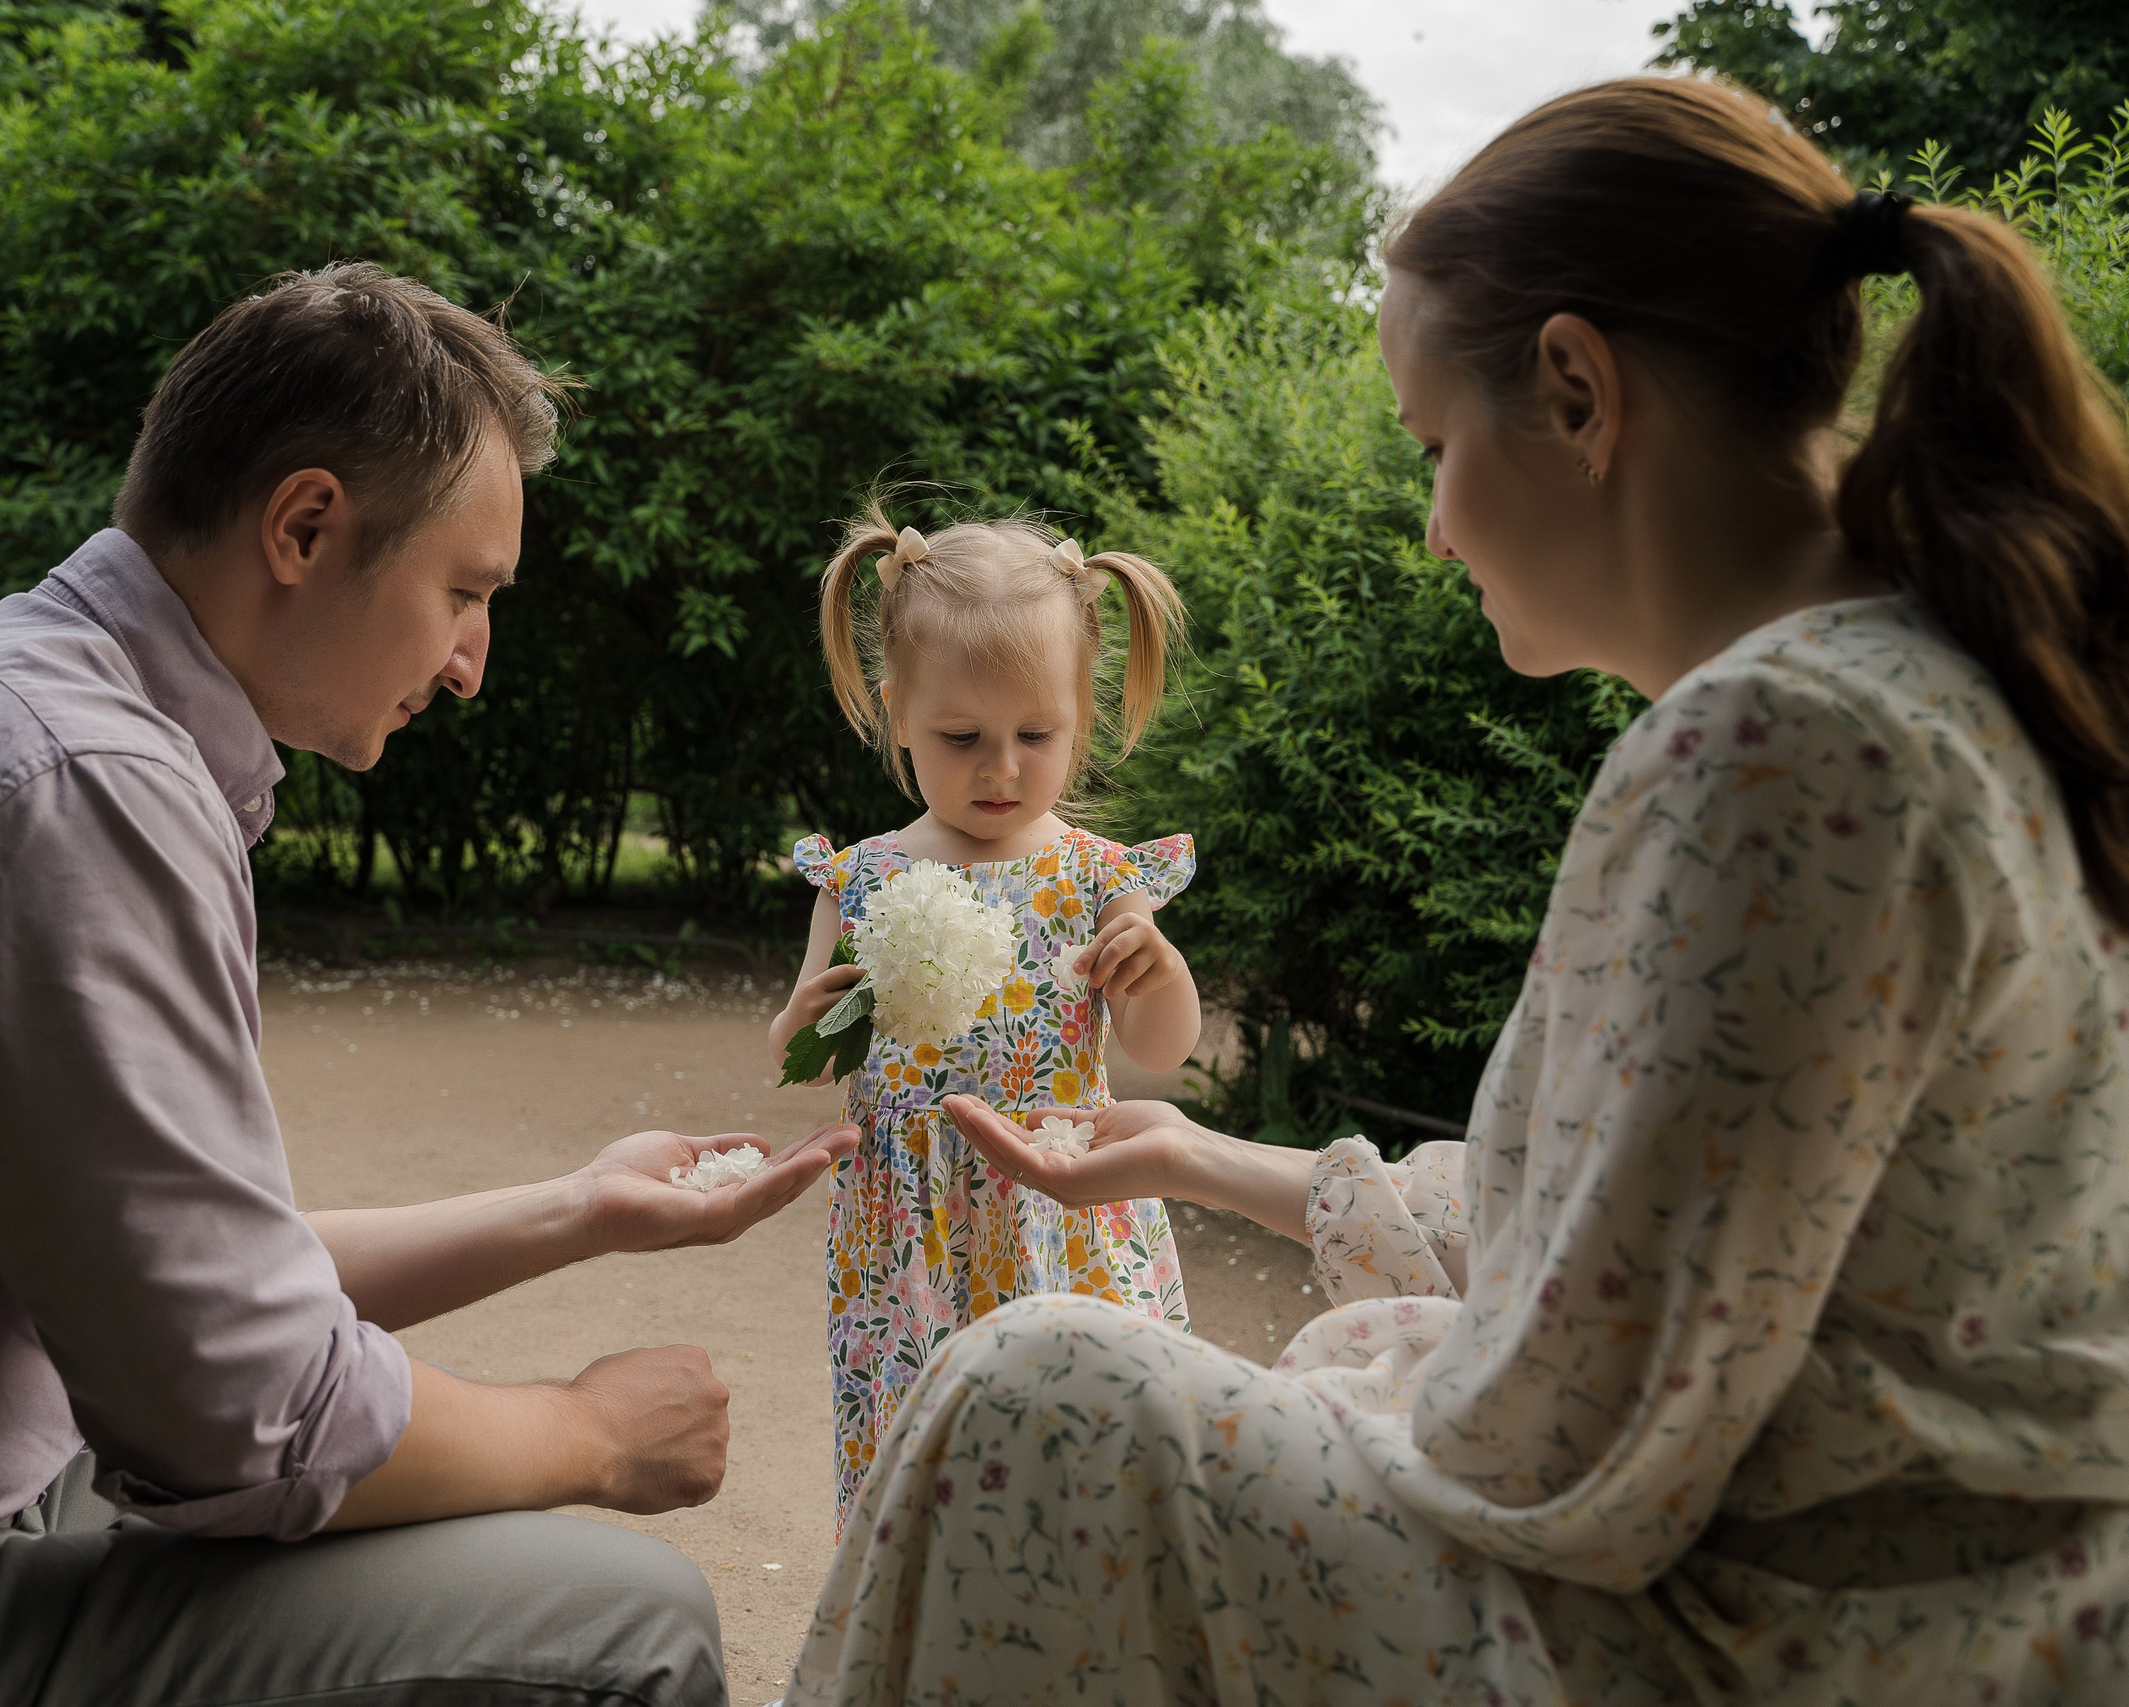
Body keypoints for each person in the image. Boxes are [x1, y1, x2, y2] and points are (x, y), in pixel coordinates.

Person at [783, 75, 2129, 1705]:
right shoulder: (1893, 685)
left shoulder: (1787, 744)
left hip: (1812, 1634)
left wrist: (1356, 1373)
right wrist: (1211, 1159)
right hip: (1893, 1587)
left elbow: (1564, 1438)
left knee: (1034, 1393)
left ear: (1576, 392)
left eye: (1433, 446)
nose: (1429, 525)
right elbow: (1635, 1246)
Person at [0, 261, 857, 1706]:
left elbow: (186, 1289)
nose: (472, 661)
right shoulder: (74, 784)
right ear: (305, 525)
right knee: (628, 1624)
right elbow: (239, 1419)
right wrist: (588, 1431)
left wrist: (581, 1209)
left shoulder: (24, 713)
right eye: (465, 590)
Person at [767, 510, 1202, 1526]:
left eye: (1035, 737)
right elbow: (799, 1059)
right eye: (962, 738)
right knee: (921, 1487)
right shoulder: (864, 877)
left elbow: (1159, 1050)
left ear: (1077, 725)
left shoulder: (1099, 879)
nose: (1000, 770)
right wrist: (807, 1015)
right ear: (897, 714)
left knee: (1081, 1482)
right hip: (909, 1241)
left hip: (1065, 1216)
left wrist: (1160, 970)